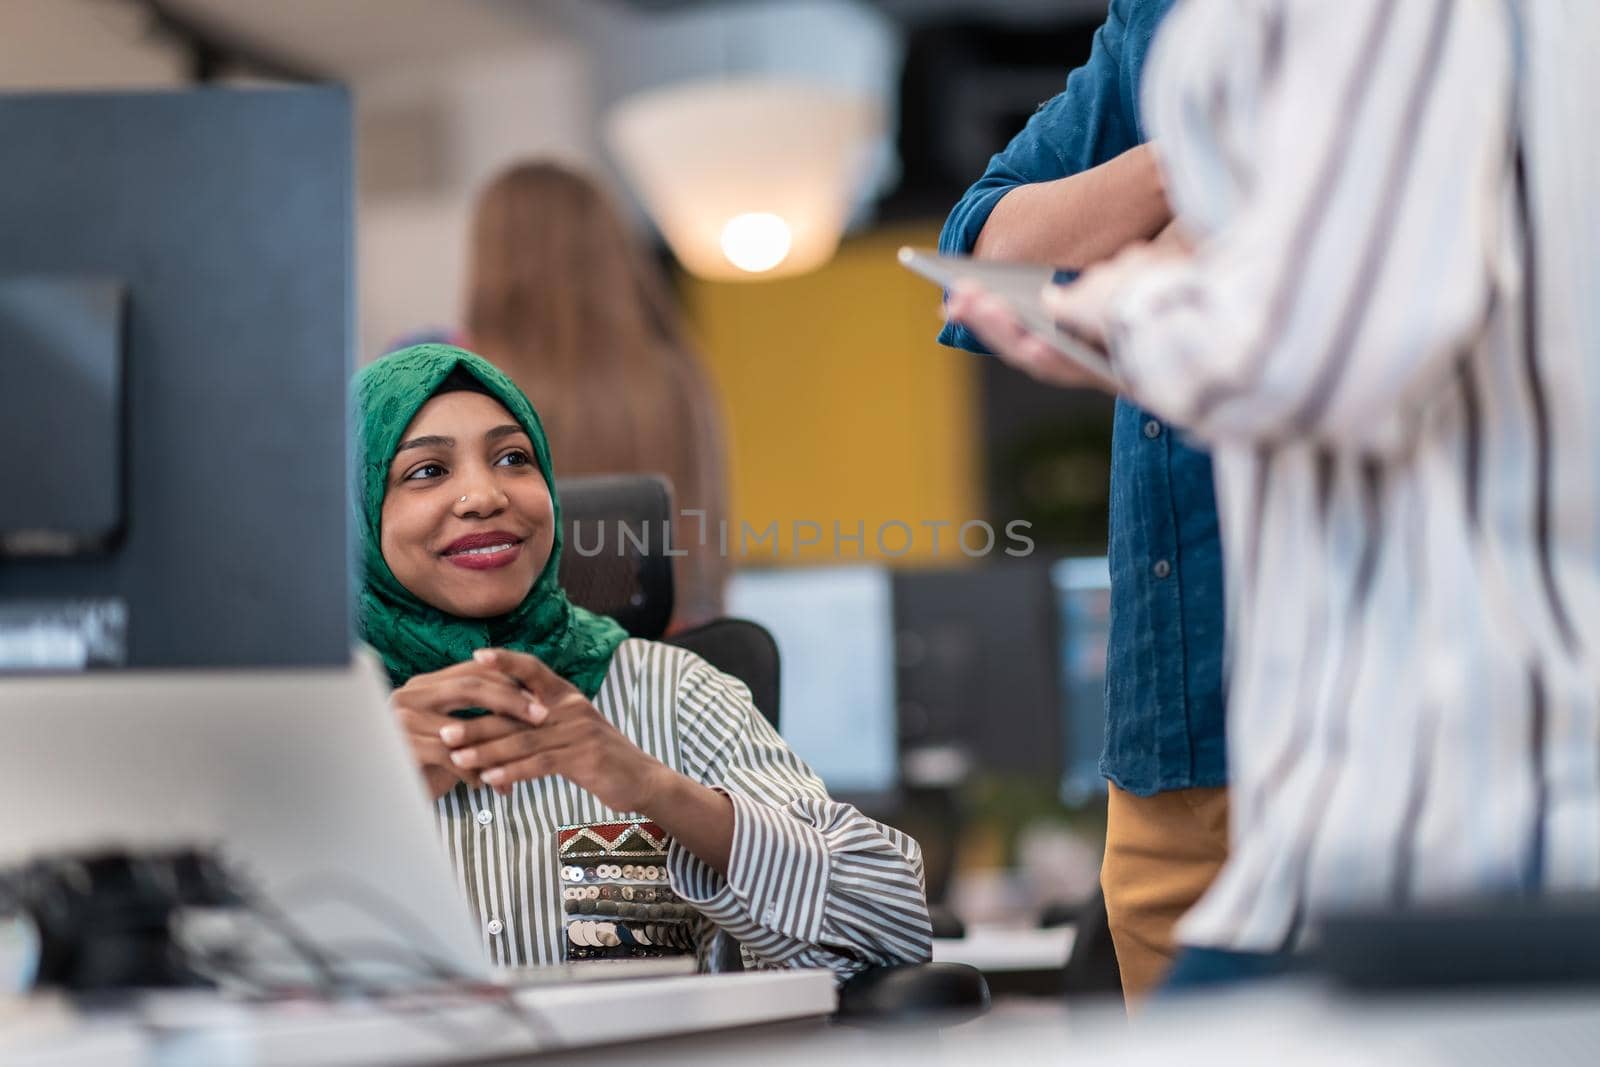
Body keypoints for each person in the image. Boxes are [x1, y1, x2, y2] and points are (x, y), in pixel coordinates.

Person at [965, 0, 1600, 988]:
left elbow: (1341, 345)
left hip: (1446, 802)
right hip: (1302, 759)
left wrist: (1112, 302)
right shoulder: (1159, 26)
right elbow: (989, 237)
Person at [354, 343, 932, 977]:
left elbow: (895, 925)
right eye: (427, 471)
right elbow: (236, 976)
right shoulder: (318, 725)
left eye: (513, 458)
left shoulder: (671, 693)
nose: (485, 495)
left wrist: (653, 787)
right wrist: (362, 797)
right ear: (354, 516)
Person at [938, 0, 1227, 1000]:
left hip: (1327, 712)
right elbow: (984, 241)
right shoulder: (1154, 25)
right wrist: (1183, 150)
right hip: (1160, 738)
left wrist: (1116, 249)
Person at [463, 161, 729, 631]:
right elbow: (706, 538)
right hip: (669, 653)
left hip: (516, 659)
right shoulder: (676, 375)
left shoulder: (455, 377)